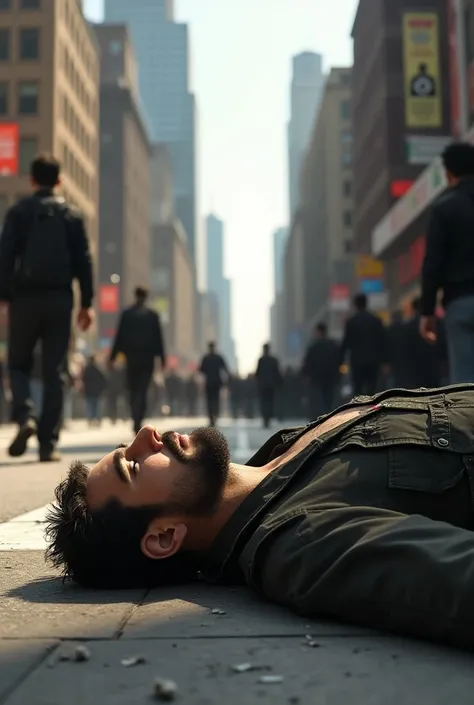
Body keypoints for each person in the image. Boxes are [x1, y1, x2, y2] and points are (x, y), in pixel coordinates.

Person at [47, 383, 474, 651]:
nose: (146, 436)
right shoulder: (301, 542)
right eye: (134, 466)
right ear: (163, 538)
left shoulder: (283, 453)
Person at [0, 154, 94, 462]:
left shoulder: (19, 212)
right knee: (56, 371)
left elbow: (5, 256)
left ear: (31, 180)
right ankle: (47, 443)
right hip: (59, 299)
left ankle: (25, 414)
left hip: (24, 299)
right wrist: (87, 304)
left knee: (18, 364)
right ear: (59, 181)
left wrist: (4, 298)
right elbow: (84, 260)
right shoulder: (71, 215)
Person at [420, 141, 474, 384]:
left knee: (464, 385)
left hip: (460, 302)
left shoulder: (443, 209)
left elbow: (433, 264)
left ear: (448, 173)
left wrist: (427, 312)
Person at [109, 287, 166, 435]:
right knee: (142, 389)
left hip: (132, 358)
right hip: (147, 359)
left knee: (133, 390)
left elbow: (119, 337)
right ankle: (138, 417)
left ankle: (136, 417)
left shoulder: (127, 315)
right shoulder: (152, 316)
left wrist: (113, 357)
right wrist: (162, 358)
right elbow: (159, 340)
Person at [341, 293, 387, 396]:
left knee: (358, 389)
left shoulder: (351, 322)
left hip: (357, 361)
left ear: (355, 304)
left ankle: (359, 410)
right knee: (372, 389)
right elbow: (383, 341)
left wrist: (340, 360)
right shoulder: (376, 320)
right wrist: (385, 360)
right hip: (373, 361)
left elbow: (346, 343)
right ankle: (371, 408)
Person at [301, 323, 340, 420]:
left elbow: (308, 362)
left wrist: (306, 374)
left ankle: (318, 418)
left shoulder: (313, 346)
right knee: (329, 399)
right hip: (330, 377)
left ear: (319, 331)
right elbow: (338, 360)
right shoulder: (333, 345)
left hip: (316, 378)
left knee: (317, 399)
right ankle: (328, 416)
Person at [199, 342, 229, 426]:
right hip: (217, 382)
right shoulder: (218, 357)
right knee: (216, 400)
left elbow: (201, 369)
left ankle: (211, 417)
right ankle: (215, 416)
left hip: (209, 382)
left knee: (209, 401)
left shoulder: (206, 358)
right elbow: (225, 368)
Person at [255, 343, 282, 428]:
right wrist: (278, 383)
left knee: (264, 402)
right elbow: (277, 373)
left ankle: (265, 419)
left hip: (263, 385)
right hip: (271, 385)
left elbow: (257, 373)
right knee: (270, 402)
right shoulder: (273, 360)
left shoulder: (261, 360)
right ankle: (268, 419)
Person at [82, 355, 107, 427]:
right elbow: (102, 380)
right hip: (96, 392)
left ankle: (90, 420)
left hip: (89, 391)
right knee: (96, 406)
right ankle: (97, 420)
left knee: (90, 406)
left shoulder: (87, 370)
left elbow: (84, 380)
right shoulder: (97, 370)